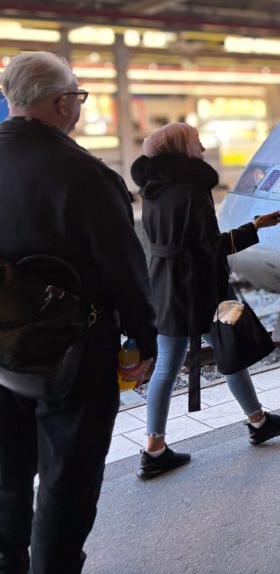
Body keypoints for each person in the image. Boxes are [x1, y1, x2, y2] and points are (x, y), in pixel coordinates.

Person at [0, 52, 157, 574]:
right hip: (74, 353)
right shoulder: (86, 175)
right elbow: (125, 271)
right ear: (64, 102)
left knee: (5, 473)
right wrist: (144, 342)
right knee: (68, 478)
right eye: (80, 97)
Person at [131, 123, 280, 479]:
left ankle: (155, 448)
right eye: (195, 142)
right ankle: (258, 421)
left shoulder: (153, 189)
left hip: (165, 284)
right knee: (230, 347)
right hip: (201, 287)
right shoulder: (193, 190)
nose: (203, 147)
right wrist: (255, 227)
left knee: (167, 366)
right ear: (179, 149)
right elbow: (212, 248)